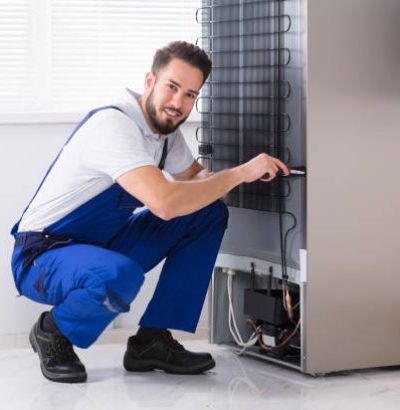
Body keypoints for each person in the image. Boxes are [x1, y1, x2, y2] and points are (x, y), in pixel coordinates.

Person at [10, 41, 289, 383]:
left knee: (207, 213)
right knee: (118, 274)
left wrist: (250, 173)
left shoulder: (163, 134)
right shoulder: (114, 125)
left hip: (100, 244)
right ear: (149, 81)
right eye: (172, 87)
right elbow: (166, 203)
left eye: (190, 95)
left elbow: (198, 181)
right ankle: (53, 331)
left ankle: (151, 341)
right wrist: (239, 174)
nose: (178, 103)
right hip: (44, 254)